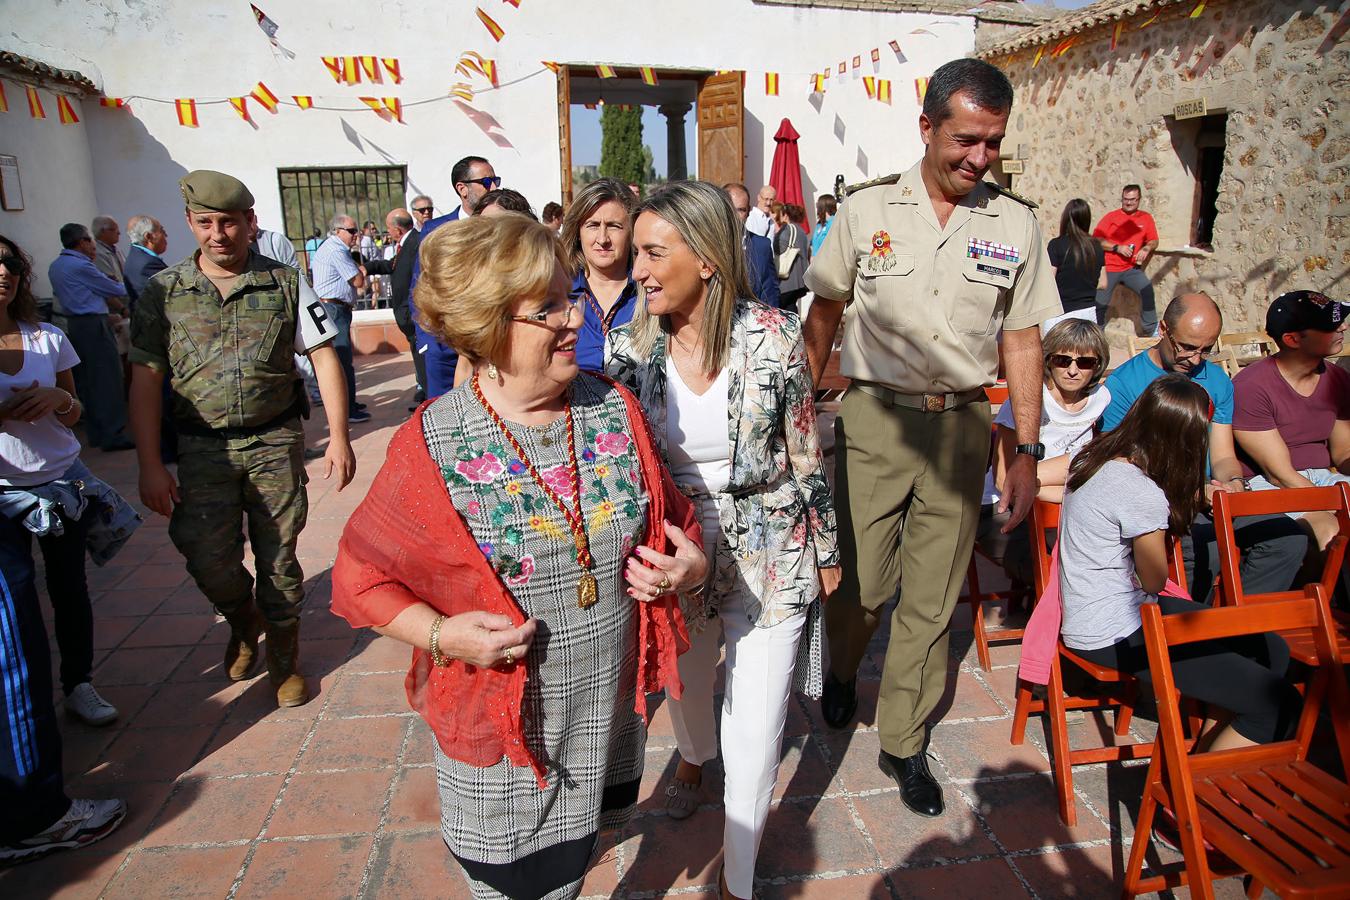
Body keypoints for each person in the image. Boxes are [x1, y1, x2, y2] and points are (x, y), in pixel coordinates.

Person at [330, 213, 706, 900]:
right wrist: (443, 634)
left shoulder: (612, 407)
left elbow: (677, 521)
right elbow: (362, 579)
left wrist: (690, 569)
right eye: (546, 308)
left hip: (603, 714)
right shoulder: (435, 443)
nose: (572, 319)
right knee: (519, 885)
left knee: (575, 862)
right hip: (509, 738)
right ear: (486, 326)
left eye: (569, 296)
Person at [803, 58, 1060, 818]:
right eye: (966, 140)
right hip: (876, 418)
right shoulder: (866, 210)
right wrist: (796, 417)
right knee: (865, 586)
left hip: (963, 428)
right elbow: (823, 313)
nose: (979, 158)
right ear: (927, 128)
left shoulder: (1015, 223)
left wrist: (1027, 449)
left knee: (933, 595)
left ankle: (905, 740)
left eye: (993, 143)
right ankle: (843, 668)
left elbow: (1023, 342)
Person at [606, 181, 839, 900]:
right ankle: (693, 756)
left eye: (653, 251)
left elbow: (804, 452)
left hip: (772, 545)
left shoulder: (773, 336)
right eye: (635, 252)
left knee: (758, 720)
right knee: (690, 689)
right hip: (676, 548)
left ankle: (737, 880)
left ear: (707, 258)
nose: (636, 267)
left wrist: (825, 552)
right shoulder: (627, 347)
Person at [129, 169, 356, 709]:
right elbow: (144, 380)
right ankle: (240, 618)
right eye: (205, 223)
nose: (218, 234)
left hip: (274, 443)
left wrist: (340, 438)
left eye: (229, 222)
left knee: (279, 560)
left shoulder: (284, 282)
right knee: (207, 556)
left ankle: (284, 661)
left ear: (250, 223)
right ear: (189, 223)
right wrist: (148, 465)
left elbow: (324, 358)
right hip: (201, 448)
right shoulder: (164, 292)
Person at [1060, 374, 1300, 753]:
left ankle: (1210, 746)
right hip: (1114, 632)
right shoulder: (1140, 491)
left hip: (1106, 615)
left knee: (1270, 648)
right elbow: (1154, 580)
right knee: (1279, 704)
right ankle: (1200, 789)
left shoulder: (1093, 458)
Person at [0, 233, 140, 727]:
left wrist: (57, 403)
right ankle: (25, 696)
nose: (2, 271)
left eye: (9, 262)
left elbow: (74, 409)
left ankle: (78, 683)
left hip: (60, 483)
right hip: (3, 494)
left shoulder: (47, 338)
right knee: (14, 602)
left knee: (69, 588)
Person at [1102, 293, 1307, 602]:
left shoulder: (1217, 381)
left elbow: (1223, 455)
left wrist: (1233, 483)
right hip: (1162, 499)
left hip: (1212, 498)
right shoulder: (1124, 384)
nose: (1196, 359)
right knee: (1205, 547)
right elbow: (1119, 466)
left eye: (1206, 350)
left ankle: (1239, 627)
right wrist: (1196, 492)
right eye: (1186, 347)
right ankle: (1196, 629)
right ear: (1163, 330)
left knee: (1288, 538)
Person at [977, 319, 1111, 587]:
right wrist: (1074, 492)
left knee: (1108, 557)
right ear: (1048, 361)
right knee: (1056, 569)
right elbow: (1006, 482)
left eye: (1084, 363)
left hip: (1061, 506)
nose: (1073, 370)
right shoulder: (1028, 403)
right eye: (1063, 360)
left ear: (1097, 366)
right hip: (1001, 509)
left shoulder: (1101, 400)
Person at [1234, 290, 1350, 589]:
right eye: (1329, 326)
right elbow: (1280, 474)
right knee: (1332, 532)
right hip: (1268, 484)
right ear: (1292, 339)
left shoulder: (1337, 380)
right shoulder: (1252, 387)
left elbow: (1343, 451)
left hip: (1322, 478)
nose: (1343, 328)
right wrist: (1337, 508)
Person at [412, 156, 501, 398]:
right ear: (462, 188)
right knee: (443, 420)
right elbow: (420, 288)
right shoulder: (436, 230)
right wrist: (426, 342)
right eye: (486, 181)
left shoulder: (501, 226)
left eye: (495, 180)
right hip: (443, 348)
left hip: (490, 344)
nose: (494, 187)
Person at [46, 224, 134, 451]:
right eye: (90, 241)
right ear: (82, 242)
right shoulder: (80, 265)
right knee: (107, 379)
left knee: (88, 382)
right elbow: (115, 289)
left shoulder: (57, 265)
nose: (93, 246)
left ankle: (97, 432)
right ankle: (113, 434)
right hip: (93, 324)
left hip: (76, 325)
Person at [560, 178, 639, 374]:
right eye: (593, 225)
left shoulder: (651, 293)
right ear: (577, 231)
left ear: (632, 232)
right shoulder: (558, 293)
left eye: (614, 226)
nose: (602, 239)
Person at [310, 213, 370, 424]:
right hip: (333, 310)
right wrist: (360, 270)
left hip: (335, 308)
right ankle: (348, 409)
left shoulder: (334, 248)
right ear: (337, 231)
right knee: (342, 362)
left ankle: (350, 403)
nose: (356, 235)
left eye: (356, 231)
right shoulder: (337, 250)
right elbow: (358, 281)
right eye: (351, 231)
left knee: (343, 360)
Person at [362, 209, 424, 407]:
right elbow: (394, 265)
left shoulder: (415, 243)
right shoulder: (405, 245)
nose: (387, 233)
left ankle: (426, 397)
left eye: (388, 229)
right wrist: (370, 267)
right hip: (406, 312)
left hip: (412, 312)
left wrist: (410, 311)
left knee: (421, 355)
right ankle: (423, 391)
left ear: (397, 229)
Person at [1093, 184, 1159, 334]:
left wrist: (1147, 248)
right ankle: (1096, 334)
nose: (1128, 203)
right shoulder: (1112, 217)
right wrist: (1117, 248)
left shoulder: (1145, 218)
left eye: (1133, 200)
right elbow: (1096, 240)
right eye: (1125, 199)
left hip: (1131, 269)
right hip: (1109, 267)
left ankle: (1151, 329)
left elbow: (1154, 240)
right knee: (1100, 302)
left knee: (1147, 289)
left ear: (1139, 200)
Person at [1045, 198, 1106, 333]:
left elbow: (1049, 281)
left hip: (1060, 314)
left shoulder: (1056, 245)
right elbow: (1103, 283)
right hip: (1088, 314)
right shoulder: (1096, 246)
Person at [722, 183, 779, 308]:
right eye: (730, 208)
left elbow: (770, 293)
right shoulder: (706, 245)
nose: (735, 216)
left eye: (741, 210)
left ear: (748, 212)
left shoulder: (761, 246)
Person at [772, 202, 810, 315]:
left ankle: (790, 330)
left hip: (787, 280)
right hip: (799, 279)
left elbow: (779, 248)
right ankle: (795, 329)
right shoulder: (801, 231)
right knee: (791, 306)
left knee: (782, 307)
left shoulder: (787, 229)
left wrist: (775, 232)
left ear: (786, 215)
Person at [123, 215, 168, 302]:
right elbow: (173, 293)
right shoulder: (148, 265)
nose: (166, 235)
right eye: (162, 231)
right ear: (148, 237)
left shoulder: (136, 256)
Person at [90, 216, 125, 286]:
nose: (119, 233)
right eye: (114, 229)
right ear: (103, 231)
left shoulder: (117, 250)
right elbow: (110, 281)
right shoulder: (96, 253)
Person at [811, 194, 837, 258]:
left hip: (826, 262)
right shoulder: (819, 224)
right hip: (815, 263)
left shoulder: (833, 222)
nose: (817, 207)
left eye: (818, 205)